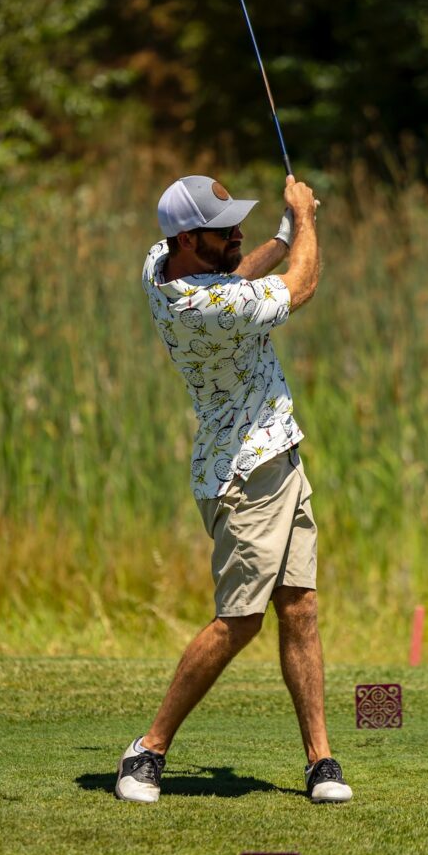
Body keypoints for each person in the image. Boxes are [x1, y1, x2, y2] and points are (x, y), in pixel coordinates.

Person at [116, 173, 352, 806]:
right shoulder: (204, 307)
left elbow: (239, 275)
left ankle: (320, 760)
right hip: (243, 475)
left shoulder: (160, 262)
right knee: (239, 620)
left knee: (299, 606)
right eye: (225, 231)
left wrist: (274, 237)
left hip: (280, 457)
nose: (236, 234)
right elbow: (300, 287)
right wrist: (303, 218)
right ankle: (148, 750)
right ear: (190, 238)